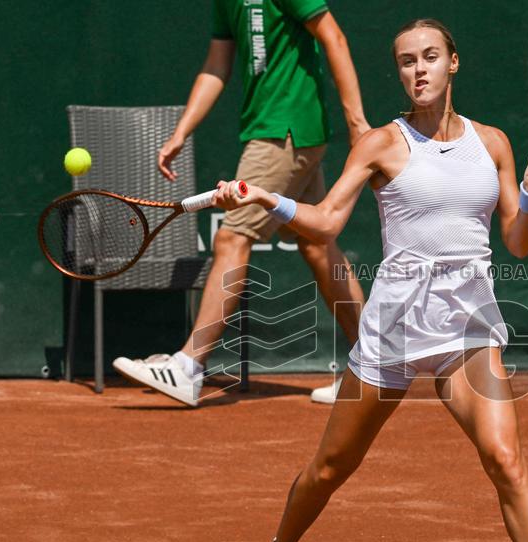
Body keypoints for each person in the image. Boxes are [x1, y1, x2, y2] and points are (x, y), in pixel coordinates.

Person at [213, 18, 528, 542]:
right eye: (407, 62)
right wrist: (270, 197)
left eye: (431, 57)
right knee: (330, 469)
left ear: (454, 63)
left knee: (505, 459)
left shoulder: (491, 144)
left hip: (466, 329)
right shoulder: (380, 144)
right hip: (395, 332)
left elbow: (517, 241)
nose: (419, 70)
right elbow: (324, 221)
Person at [113, 0, 369, 407]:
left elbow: (334, 37)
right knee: (319, 246)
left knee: (232, 237)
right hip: (284, 130)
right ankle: (375, 366)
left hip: (282, 130)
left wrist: (358, 126)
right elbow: (217, 66)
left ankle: (188, 367)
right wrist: (182, 132)